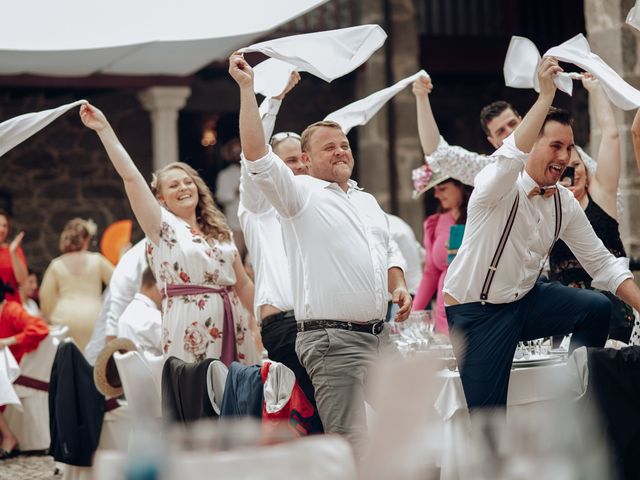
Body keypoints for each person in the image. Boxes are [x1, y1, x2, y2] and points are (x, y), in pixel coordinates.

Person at [229, 52, 411, 451]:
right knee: (351, 445)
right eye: (329, 147)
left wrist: (397, 286)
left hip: (381, 336)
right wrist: (250, 92)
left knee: (413, 434)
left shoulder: (365, 200)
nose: (341, 151)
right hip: (331, 340)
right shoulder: (300, 194)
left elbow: (387, 250)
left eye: (344, 144)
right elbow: (256, 156)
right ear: (307, 161)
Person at [443, 57, 640, 411]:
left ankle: (574, 397)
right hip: (478, 312)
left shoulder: (563, 201)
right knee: (488, 420)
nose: (564, 156)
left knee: (595, 308)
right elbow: (509, 156)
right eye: (555, 146)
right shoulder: (496, 185)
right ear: (532, 144)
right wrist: (545, 94)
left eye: (569, 147)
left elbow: (602, 264)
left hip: (526, 301)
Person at [80, 104, 257, 365]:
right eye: (174, 185)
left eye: (188, 182)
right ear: (161, 198)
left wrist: (266, 320)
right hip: (189, 325)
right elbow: (131, 178)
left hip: (234, 322)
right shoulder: (162, 227)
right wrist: (104, 129)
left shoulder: (220, 230)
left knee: (240, 395)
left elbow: (242, 284)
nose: (184, 187)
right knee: (199, 397)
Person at [238, 71, 323, 409]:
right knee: (312, 414)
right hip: (287, 325)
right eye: (290, 161)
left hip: (325, 322)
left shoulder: (317, 200)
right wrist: (272, 101)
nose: (300, 166)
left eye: (303, 158)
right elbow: (252, 155)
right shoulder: (259, 205)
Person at [549, 75, 634, 343]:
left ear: (585, 169)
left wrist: (595, 89)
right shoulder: (549, 202)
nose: (569, 172)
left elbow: (610, 135)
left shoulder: (602, 196)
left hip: (614, 316)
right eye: (563, 168)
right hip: (565, 318)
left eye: (575, 166)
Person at [40, 218, 113, 351]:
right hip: (94, 318)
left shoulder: (56, 265)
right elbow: (117, 282)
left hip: (64, 319)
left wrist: (48, 317)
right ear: (85, 240)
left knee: (68, 361)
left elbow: (46, 298)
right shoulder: (97, 260)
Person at [412, 174, 472, 334]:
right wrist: (411, 314)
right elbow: (430, 273)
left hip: (475, 305)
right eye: (435, 189)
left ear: (461, 185)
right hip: (443, 313)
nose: (436, 194)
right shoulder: (434, 223)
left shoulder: (480, 217)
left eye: (443, 188)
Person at [0, 279, 49, 458]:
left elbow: (40, 328)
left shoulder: (11, 310)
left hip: (18, 365)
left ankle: (8, 437)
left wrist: (9, 341)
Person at [117, 267, 162, 355]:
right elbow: (176, 351)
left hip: (132, 368)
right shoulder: (153, 318)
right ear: (157, 286)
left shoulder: (127, 313)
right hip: (155, 368)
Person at [0, 210, 27, 304]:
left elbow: (23, 280)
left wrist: (13, 252)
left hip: (12, 306)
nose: (2, 229)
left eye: (5, 226)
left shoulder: (14, 250)